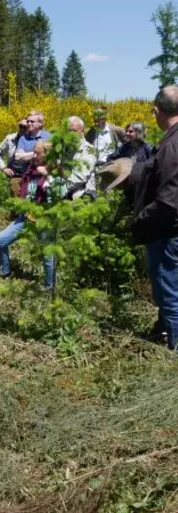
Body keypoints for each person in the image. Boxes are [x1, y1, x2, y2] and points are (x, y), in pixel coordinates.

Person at [122, 86, 178, 349]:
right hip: (169, 231)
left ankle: (173, 355)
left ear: (157, 111)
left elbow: (169, 201)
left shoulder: (172, 146)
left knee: (170, 294)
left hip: (167, 233)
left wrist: (140, 220)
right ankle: (163, 331)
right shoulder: (171, 142)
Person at [0, 141, 62, 289]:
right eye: (34, 151)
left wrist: (48, 176)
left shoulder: (56, 172)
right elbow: (24, 188)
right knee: (0, 240)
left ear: (47, 155)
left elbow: (59, 195)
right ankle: (5, 271)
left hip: (45, 220)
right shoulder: (32, 168)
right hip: (26, 217)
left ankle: (49, 286)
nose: (34, 155)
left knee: (47, 255)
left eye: (37, 153)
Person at [3, 111, 51, 196]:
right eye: (28, 121)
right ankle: (17, 208)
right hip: (23, 173)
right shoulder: (23, 138)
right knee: (15, 186)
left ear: (40, 124)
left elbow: (52, 156)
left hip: (43, 172)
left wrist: (26, 155)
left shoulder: (49, 136)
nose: (29, 123)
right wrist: (38, 153)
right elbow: (18, 157)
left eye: (32, 121)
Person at [65, 116, 97, 200]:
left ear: (82, 131)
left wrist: (61, 188)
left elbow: (80, 177)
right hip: (64, 193)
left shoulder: (89, 150)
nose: (71, 133)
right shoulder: (64, 148)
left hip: (81, 194)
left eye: (74, 131)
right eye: (69, 130)